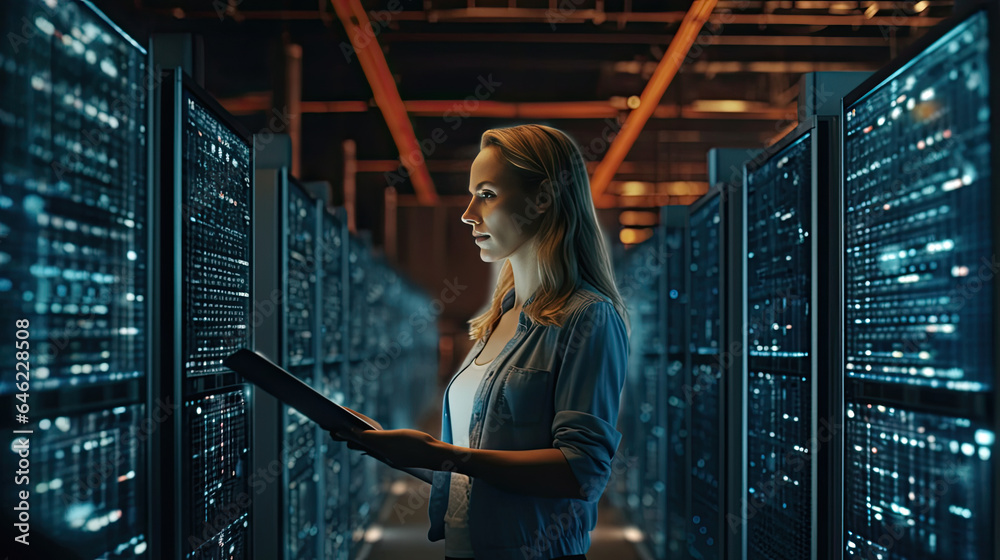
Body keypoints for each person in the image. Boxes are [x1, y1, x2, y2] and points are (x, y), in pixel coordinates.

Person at [330, 124, 630, 560]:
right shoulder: (499, 317)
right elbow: (474, 473)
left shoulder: (588, 317)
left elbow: (580, 471)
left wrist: (442, 454)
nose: (469, 213)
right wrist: (395, 449)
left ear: (543, 198)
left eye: (487, 194)